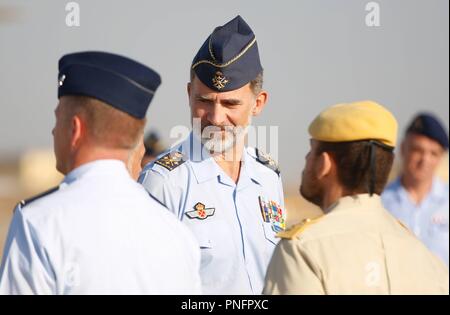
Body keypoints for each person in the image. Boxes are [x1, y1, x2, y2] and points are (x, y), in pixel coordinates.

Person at [0, 51, 201, 295]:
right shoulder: (177, 233)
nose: (53, 132)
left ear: (75, 129)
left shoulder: (38, 223)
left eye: (57, 121)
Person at [139, 16, 285, 294]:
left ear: (258, 103)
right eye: (204, 101)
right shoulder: (164, 182)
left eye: (230, 103)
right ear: (188, 94)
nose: (216, 118)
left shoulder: (268, 177)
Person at [263, 101, 449, 295]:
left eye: (312, 149)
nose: (307, 158)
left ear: (324, 163)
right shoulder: (428, 261)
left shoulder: (303, 250)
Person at [382, 113, 449, 267]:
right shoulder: (381, 202)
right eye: (418, 150)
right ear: (403, 149)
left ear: (441, 157)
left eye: (433, 153)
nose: (424, 160)